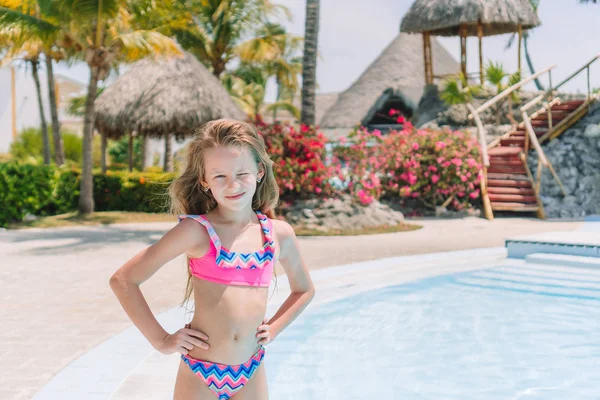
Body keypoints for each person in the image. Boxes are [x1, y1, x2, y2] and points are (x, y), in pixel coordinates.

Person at [110, 119, 316, 399]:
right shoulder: (196, 232)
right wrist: (162, 341)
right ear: (204, 181)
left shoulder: (278, 234)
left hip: (251, 369)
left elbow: (304, 289)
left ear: (259, 171)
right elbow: (123, 280)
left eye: (242, 173)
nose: (233, 184)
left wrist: (275, 328)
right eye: (220, 176)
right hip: (201, 372)